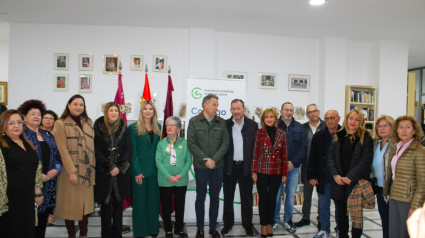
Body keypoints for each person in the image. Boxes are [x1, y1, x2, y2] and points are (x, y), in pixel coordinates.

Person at [18, 100, 62, 238]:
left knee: (42, 222)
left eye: (38, 114)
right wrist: (38, 177)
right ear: (24, 117)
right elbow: (20, 162)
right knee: (27, 224)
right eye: (32, 114)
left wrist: (56, 170)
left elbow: (57, 157)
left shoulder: (47, 135)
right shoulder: (21, 135)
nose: (36, 116)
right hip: (29, 186)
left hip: (49, 185)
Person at [187, 94, 229, 238]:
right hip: (201, 167)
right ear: (205, 105)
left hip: (217, 167)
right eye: (214, 104)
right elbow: (191, 143)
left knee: (215, 198)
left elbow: (225, 143)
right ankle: (200, 228)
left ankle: (212, 227)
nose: (216, 107)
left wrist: (214, 160)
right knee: (200, 198)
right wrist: (206, 160)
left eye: (217, 105)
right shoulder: (193, 122)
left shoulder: (222, 123)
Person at [53, 94, 95, 238]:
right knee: (70, 207)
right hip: (69, 171)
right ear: (69, 105)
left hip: (87, 171)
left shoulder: (88, 122)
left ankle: (84, 234)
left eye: (81, 104)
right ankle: (72, 235)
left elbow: (92, 148)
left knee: (85, 208)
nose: (78, 107)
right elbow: (62, 149)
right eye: (75, 104)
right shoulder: (60, 123)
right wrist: (71, 171)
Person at [328, 108, 374, 238]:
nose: (353, 122)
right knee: (341, 215)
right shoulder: (339, 134)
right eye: (351, 118)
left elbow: (366, 161)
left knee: (356, 217)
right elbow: (330, 157)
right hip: (339, 182)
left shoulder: (366, 137)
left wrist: (350, 177)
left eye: (357, 119)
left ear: (361, 122)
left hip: (355, 183)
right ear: (346, 119)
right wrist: (336, 175)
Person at [0, 110, 43, 237]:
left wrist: (38, 191)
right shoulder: (2, 145)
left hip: (27, 200)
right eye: (11, 123)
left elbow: (36, 169)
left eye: (19, 122)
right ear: (3, 125)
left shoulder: (27, 143)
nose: (16, 126)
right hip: (9, 203)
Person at [94, 102, 132, 238]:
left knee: (118, 206)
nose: (114, 113)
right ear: (106, 112)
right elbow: (96, 149)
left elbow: (128, 148)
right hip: (104, 173)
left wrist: (120, 167)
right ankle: (106, 234)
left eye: (116, 110)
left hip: (120, 174)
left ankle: (117, 234)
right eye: (111, 110)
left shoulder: (124, 127)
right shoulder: (98, 127)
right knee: (104, 207)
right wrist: (109, 167)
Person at [383, 115, 425, 238]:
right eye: (401, 127)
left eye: (408, 127)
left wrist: (415, 206)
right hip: (394, 195)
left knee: (405, 233)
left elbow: (423, 182)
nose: (404, 130)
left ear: (414, 130)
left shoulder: (420, 151)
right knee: (394, 232)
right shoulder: (395, 147)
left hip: (408, 199)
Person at [222, 99, 258, 236]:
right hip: (229, 167)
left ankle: (248, 225)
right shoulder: (224, 124)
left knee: (247, 199)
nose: (236, 111)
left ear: (244, 109)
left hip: (246, 168)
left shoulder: (253, 125)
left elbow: (255, 148)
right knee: (228, 198)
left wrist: (254, 169)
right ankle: (228, 224)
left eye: (238, 108)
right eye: (233, 109)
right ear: (230, 110)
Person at [251, 108, 288, 237]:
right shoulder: (259, 133)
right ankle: (263, 224)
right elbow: (255, 153)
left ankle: (269, 224)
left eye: (271, 117)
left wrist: (284, 173)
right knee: (263, 198)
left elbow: (284, 155)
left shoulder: (282, 133)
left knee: (272, 199)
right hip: (261, 170)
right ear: (263, 119)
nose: (269, 119)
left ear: (275, 118)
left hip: (276, 171)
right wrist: (254, 171)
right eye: (267, 117)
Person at [129, 100, 162, 238]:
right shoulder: (133, 128)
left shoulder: (158, 127)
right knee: (139, 204)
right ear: (141, 111)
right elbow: (132, 152)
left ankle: (153, 229)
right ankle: (141, 232)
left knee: (153, 202)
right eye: (145, 109)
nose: (148, 111)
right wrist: (137, 171)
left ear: (154, 111)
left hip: (155, 172)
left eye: (151, 109)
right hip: (140, 172)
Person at [155, 116, 192, 238]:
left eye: (172, 125)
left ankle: (179, 228)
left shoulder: (185, 143)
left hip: (181, 181)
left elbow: (188, 161)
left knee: (180, 206)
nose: (169, 127)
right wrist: (169, 176)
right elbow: (158, 161)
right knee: (165, 205)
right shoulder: (161, 143)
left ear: (178, 128)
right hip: (165, 180)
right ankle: (168, 229)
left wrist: (180, 175)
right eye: (167, 125)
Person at [273, 102, 306, 233]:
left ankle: (288, 220)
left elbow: (303, 148)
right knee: (276, 195)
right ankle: (274, 220)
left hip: (293, 168)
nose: (289, 112)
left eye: (291, 110)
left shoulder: (299, 127)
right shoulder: (274, 126)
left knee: (290, 195)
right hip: (277, 168)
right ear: (281, 112)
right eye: (286, 110)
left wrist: (293, 162)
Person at [307, 110, 341, 238]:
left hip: (339, 178)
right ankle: (325, 229)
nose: (330, 121)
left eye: (332, 118)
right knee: (324, 205)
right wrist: (312, 175)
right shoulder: (319, 135)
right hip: (323, 176)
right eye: (327, 118)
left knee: (340, 206)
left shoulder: (345, 134)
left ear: (338, 118)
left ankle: (340, 229)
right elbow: (313, 157)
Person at [295, 103, 326, 228]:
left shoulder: (326, 126)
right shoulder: (302, 128)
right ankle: (305, 217)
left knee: (322, 195)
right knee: (306, 194)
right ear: (307, 115)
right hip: (307, 166)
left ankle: (321, 219)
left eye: (315, 111)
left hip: (323, 166)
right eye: (310, 112)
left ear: (318, 112)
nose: (313, 113)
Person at [371, 115, 395, 238]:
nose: (382, 128)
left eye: (386, 125)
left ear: (392, 127)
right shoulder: (376, 143)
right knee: (385, 221)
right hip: (380, 189)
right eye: (379, 126)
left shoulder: (396, 144)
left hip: (393, 190)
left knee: (394, 224)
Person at [40, 109, 59, 225]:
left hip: (53, 171)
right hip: (40, 172)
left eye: (51, 118)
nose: (48, 120)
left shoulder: (55, 134)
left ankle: (50, 215)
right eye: (46, 118)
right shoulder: (36, 134)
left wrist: (57, 168)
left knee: (52, 193)